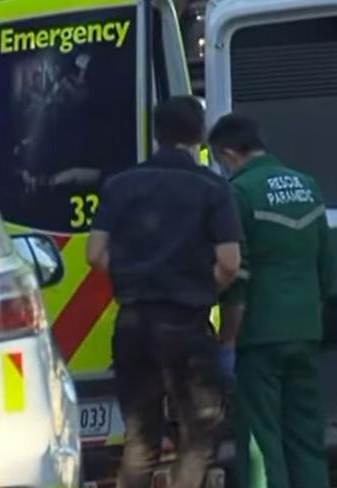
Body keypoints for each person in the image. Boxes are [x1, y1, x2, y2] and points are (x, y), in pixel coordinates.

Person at [86, 96, 241, 488]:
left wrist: (131, 277)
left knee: (140, 442)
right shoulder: (212, 187)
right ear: (200, 135)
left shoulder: (120, 185)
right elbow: (229, 263)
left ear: (157, 135)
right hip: (186, 321)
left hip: (134, 322)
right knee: (199, 434)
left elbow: (94, 254)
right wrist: (198, 286)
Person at [208, 114, 335, 488]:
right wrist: (310, 309)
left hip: (258, 334)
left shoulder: (238, 192)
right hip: (305, 328)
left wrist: (228, 337)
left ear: (228, 153)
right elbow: (327, 263)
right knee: (307, 434)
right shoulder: (307, 186)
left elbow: (238, 273)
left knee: (260, 439)